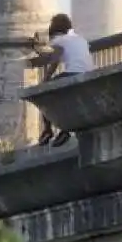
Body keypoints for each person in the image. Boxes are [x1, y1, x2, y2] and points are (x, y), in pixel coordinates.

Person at [27, 13, 94, 147]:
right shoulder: (80, 39)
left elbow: (54, 59)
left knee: (45, 93)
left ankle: (47, 129)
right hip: (89, 73)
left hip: (73, 73)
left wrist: (45, 80)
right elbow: (59, 54)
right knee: (68, 98)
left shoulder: (59, 40)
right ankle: (64, 129)